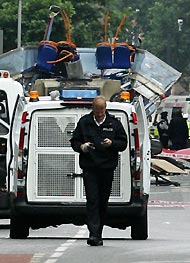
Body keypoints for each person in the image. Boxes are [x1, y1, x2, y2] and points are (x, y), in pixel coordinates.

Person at [70, 95, 127, 246]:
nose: (100, 114)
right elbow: (75, 141)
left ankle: (99, 231)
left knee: (103, 201)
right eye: (97, 111)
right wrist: (82, 147)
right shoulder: (84, 122)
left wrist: (112, 143)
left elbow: (123, 143)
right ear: (93, 109)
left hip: (107, 167)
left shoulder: (114, 123)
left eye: (102, 111)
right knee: (92, 199)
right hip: (90, 167)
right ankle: (93, 234)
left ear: (105, 108)